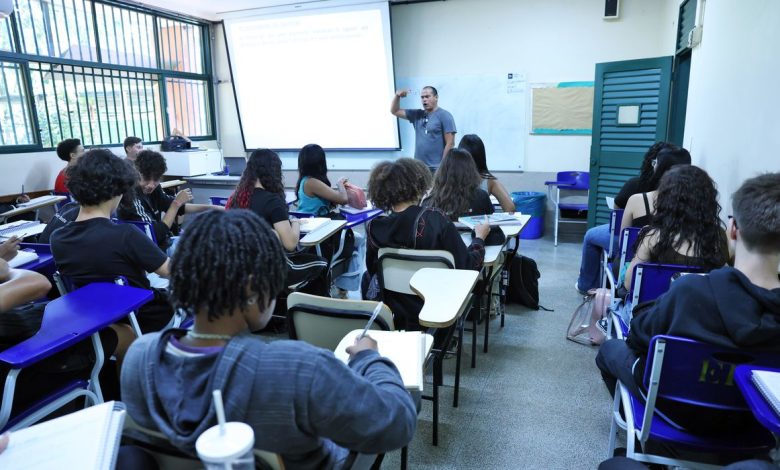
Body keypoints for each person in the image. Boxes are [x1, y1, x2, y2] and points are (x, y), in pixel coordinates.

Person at [120, 210, 416, 469]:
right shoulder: (298, 369)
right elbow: (397, 423)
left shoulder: (138, 357)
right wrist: (368, 358)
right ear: (252, 290)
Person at [596, 172, 780, 436]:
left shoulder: (689, 291)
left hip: (675, 413)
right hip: (754, 426)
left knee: (610, 350)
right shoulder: (713, 252)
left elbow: (638, 336)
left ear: (734, 230)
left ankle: (639, 425)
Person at [50, 149, 173, 333]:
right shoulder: (125, 234)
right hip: (143, 316)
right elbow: (171, 271)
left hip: (95, 318)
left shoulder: (57, 238)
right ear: (117, 190)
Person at [365, 158, 489, 331]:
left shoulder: (374, 227)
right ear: (419, 186)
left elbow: (373, 270)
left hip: (394, 312)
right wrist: (479, 239)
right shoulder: (435, 220)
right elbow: (467, 267)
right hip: (440, 308)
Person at [575, 142, 686, 293]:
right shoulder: (695, 202)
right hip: (678, 270)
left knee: (591, 235)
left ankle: (586, 285)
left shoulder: (636, 190)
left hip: (633, 256)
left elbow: (621, 233)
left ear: (657, 165)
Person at [227, 149, 328, 294]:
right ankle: (306, 305)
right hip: (270, 267)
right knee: (322, 263)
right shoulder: (272, 201)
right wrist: (295, 223)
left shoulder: (236, 198)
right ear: (273, 172)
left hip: (242, 267)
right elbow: (290, 244)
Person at [118, 150, 219, 254]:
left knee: (209, 243)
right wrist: (176, 204)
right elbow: (155, 234)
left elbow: (176, 206)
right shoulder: (131, 196)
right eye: (146, 179)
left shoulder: (155, 189)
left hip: (164, 243)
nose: (151, 185)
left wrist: (211, 208)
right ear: (137, 173)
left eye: (156, 180)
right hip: (151, 251)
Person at [619, 145, 692, 232]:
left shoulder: (636, 200)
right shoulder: (695, 205)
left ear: (659, 169)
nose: (653, 166)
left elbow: (623, 238)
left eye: (655, 163)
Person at [390, 86, 456, 171]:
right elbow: (394, 111)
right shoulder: (417, 114)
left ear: (436, 97)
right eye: (422, 97)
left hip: (436, 168)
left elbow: (450, 143)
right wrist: (397, 96)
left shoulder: (445, 115)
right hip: (418, 166)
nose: (424, 99)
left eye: (427, 97)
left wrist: (443, 166)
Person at [422, 147, 493, 219]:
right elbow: (491, 222)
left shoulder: (429, 202)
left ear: (442, 171)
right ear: (471, 171)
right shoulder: (482, 197)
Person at [457, 134, 515, 213]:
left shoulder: (451, 176)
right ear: (481, 157)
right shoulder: (488, 181)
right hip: (480, 220)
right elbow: (510, 208)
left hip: (452, 220)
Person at [295, 143, 348, 215]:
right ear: (321, 162)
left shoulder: (307, 180)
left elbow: (334, 200)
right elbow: (343, 200)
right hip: (312, 221)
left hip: (314, 219)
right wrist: (340, 183)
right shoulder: (312, 182)